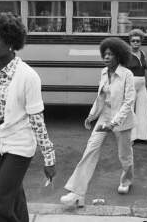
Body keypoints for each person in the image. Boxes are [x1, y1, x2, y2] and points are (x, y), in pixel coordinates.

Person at [0, 14, 56, 222]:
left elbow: (37, 121)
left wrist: (49, 158)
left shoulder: (28, 76)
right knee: (14, 197)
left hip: (19, 146)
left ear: (10, 44)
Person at [60, 37, 136, 206]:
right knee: (90, 149)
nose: (106, 57)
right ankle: (77, 193)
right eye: (105, 54)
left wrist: (114, 123)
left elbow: (129, 101)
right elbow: (101, 97)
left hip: (122, 119)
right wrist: (92, 115)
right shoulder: (103, 72)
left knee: (124, 155)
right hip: (105, 116)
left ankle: (126, 180)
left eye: (111, 54)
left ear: (119, 56)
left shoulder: (127, 74)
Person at [126, 29, 147, 144]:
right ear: (130, 42)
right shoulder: (125, 54)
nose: (136, 43)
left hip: (142, 86)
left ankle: (143, 136)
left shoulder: (143, 53)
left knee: (143, 110)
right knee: (130, 111)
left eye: (138, 41)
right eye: (133, 41)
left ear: (141, 42)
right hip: (130, 85)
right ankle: (130, 137)